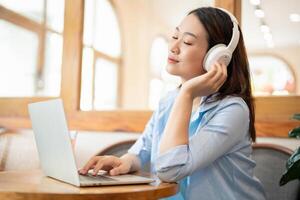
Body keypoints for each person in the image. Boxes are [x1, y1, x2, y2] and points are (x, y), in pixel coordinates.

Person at [79, 7, 266, 200]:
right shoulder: (169, 100)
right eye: (175, 36)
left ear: (217, 57)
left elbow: (170, 169)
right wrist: (123, 161)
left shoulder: (232, 110)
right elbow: (143, 150)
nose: (173, 47)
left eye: (187, 41)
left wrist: (186, 93)